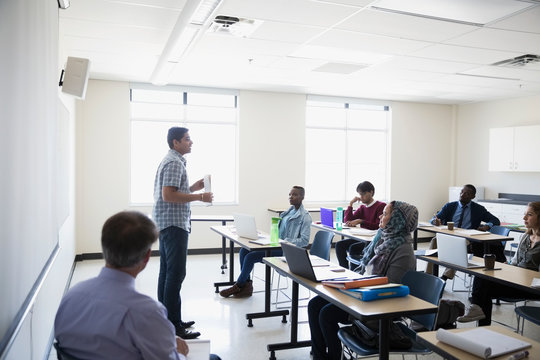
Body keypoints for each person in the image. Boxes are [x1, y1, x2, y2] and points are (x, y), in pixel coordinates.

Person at [54, 211, 221, 360]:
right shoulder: (146, 312)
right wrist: (180, 354)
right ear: (147, 257)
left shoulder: (70, 297)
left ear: (104, 247)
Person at [308, 201, 418, 360]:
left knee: (327, 314)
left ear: (397, 220)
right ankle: (319, 356)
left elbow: (390, 287)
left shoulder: (403, 251)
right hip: (363, 291)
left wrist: (354, 287)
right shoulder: (383, 238)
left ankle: (334, 357)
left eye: (385, 214)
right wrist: (348, 281)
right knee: (314, 305)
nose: (381, 216)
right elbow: (364, 269)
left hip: (378, 303)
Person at [153, 127, 213, 339]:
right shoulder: (174, 162)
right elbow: (169, 195)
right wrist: (200, 198)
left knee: (167, 273)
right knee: (175, 274)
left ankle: (166, 319)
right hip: (173, 224)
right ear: (175, 142)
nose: (191, 142)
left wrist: (193, 187)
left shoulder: (174, 161)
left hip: (168, 223)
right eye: (187, 139)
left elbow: (175, 190)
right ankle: (173, 325)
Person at [219, 186, 312, 298]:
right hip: (276, 245)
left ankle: (239, 285)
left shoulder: (305, 216)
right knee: (244, 251)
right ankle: (246, 286)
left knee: (251, 257)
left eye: (295, 194)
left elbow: (304, 241)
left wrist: (284, 241)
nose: (291, 197)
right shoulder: (288, 212)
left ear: (302, 197)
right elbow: (278, 232)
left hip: (286, 251)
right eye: (290, 194)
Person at [457, 201, 540, 325]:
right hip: (516, 279)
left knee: (484, 289)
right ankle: (480, 317)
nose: (524, 218)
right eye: (524, 214)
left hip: (531, 287)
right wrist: (507, 267)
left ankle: (478, 313)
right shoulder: (525, 236)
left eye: (529, 214)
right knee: (484, 276)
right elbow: (516, 262)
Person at [429, 184, 502, 280]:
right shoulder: (450, 206)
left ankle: (444, 277)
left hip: (467, 238)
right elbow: (434, 219)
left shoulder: (478, 209)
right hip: (449, 235)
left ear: (473, 196)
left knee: (459, 245)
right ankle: (429, 275)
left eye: (467, 193)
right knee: (434, 241)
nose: (462, 195)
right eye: (462, 192)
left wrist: (487, 226)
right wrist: (435, 221)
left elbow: (495, 220)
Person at [335, 181, 386, 268]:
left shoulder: (381, 206)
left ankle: (354, 273)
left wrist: (361, 221)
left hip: (373, 240)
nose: (361, 197)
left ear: (371, 192)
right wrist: (350, 204)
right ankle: (344, 270)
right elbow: (347, 220)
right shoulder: (362, 208)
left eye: (363, 194)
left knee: (353, 248)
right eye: (359, 194)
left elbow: (378, 226)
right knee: (339, 245)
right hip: (362, 238)